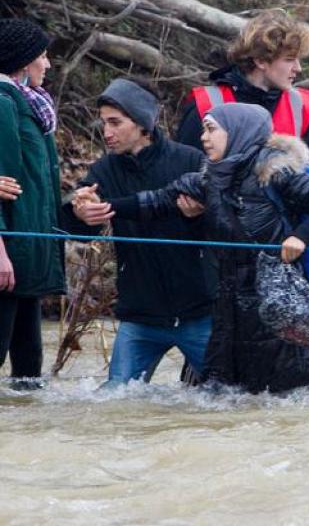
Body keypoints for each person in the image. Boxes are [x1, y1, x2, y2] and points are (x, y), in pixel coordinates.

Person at [82, 103, 309, 394]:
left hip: (276, 296)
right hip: (229, 300)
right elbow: (155, 201)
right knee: (229, 393)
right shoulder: (211, 177)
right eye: (203, 129)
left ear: (238, 132)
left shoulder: (275, 172)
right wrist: (104, 208)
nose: (203, 137)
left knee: (289, 389)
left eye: (211, 129)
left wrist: (301, 236)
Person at [175, 10, 309, 278]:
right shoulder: (207, 104)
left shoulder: (299, 107)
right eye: (290, 59)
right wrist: (188, 204)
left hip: (286, 258)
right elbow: (180, 178)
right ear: (261, 61)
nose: (298, 68)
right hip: (219, 257)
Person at [61, 77, 216, 386]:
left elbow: (225, 225)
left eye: (115, 123)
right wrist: (80, 210)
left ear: (143, 123)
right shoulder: (105, 169)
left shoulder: (191, 160)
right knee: (114, 401)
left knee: (230, 397)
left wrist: (199, 216)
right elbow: (72, 223)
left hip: (199, 311)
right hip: (139, 315)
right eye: (103, 123)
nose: (106, 132)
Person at [0, 18, 64, 388]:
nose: (48, 64)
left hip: (29, 255)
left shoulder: (29, 104)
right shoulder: (4, 103)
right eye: (43, 56)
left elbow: (35, 186)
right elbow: (4, 180)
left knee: (28, 370)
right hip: (10, 257)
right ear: (24, 62)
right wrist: (1, 252)